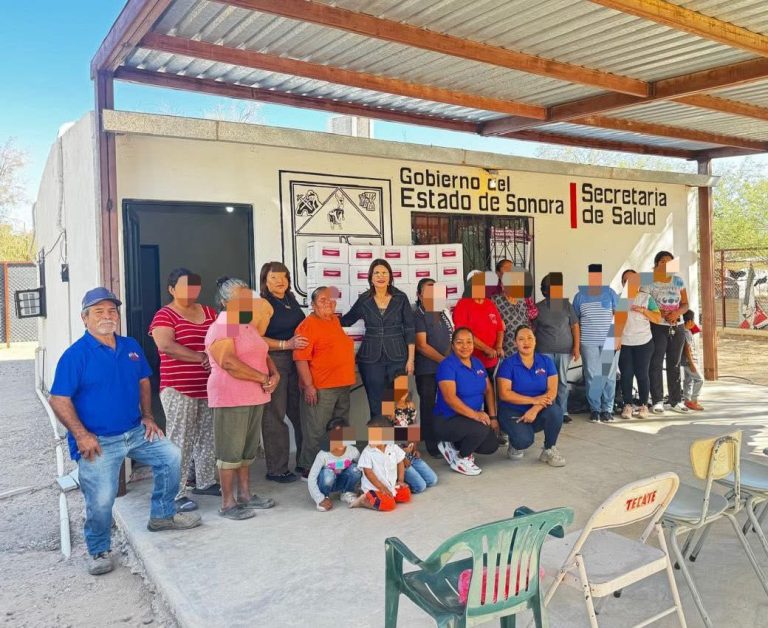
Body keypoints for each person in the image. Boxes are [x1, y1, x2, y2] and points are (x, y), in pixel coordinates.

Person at [50, 288, 201, 576]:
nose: (107, 316)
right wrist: (81, 435)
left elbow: (144, 380)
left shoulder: (131, 346)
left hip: (134, 430)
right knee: (102, 497)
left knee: (171, 456)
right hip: (98, 440)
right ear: (85, 318)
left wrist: (147, 416)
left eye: (112, 311)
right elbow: (59, 398)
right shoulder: (76, 355)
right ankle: (98, 549)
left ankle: (162, 515)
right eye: (99, 312)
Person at [205, 278, 278, 521]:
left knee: (246, 450)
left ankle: (246, 495)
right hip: (231, 396)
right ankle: (228, 503)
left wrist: (274, 374)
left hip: (254, 395)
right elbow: (227, 362)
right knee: (230, 452)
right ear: (226, 302)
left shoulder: (245, 324)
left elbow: (261, 352)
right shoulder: (225, 324)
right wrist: (261, 377)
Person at [149, 268, 218, 513]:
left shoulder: (210, 312)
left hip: (208, 387)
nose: (191, 291)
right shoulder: (164, 315)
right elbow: (165, 345)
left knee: (207, 436)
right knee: (180, 440)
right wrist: (201, 357)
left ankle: (206, 481)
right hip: (179, 388)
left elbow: (225, 336)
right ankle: (175, 493)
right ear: (171, 289)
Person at [294, 286, 356, 478]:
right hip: (321, 387)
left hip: (342, 385)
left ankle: (337, 463)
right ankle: (308, 469)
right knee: (316, 429)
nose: (328, 302)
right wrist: (309, 386)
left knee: (340, 428)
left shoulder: (334, 321)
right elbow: (300, 358)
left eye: (331, 299)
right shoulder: (307, 325)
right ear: (312, 305)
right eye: (322, 300)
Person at [340, 259, 415, 418]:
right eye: (376, 273)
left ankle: (400, 443)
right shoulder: (364, 300)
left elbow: (410, 328)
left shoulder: (400, 298)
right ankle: (380, 443)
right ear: (371, 277)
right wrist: (323, 319)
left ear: (390, 276)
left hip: (399, 358)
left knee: (401, 402)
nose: (380, 276)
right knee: (377, 405)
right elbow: (347, 320)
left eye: (384, 273)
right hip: (370, 359)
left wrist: (411, 360)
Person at [259, 261, 308, 482]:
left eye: (284, 277)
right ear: (265, 281)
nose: (280, 281)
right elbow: (251, 336)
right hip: (274, 360)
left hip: (296, 361)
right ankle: (277, 469)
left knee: (300, 412)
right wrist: (284, 344)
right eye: (274, 278)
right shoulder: (260, 304)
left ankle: (304, 462)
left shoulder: (290, 300)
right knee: (275, 415)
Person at [433, 327, 500, 476]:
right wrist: (476, 415)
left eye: (469, 342)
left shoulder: (477, 363)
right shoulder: (447, 365)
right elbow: (450, 399)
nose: (465, 346)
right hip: (447, 419)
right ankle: (461, 459)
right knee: (480, 428)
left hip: (468, 419)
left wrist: (493, 417)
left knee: (491, 445)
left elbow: (488, 390)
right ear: (452, 345)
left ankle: (453, 446)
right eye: (459, 342)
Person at [496, 325, 566, 466]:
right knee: (524, 441)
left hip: (538, 408)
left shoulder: (546, 362)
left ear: (535, 341)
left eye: (529, 338)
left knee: (556, 412)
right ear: (515, 343)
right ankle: (516, 442)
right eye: (521, 339)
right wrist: (533, 400)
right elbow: (504, 394)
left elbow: (552, 391)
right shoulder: (508, 364)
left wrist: (535, 408)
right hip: (512, 410)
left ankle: (549, 449)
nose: (526, 342)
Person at [572, 264, 619, 422]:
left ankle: (607, 409)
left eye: (598, 276)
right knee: (592, 375)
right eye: (592, 276)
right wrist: (576, 345)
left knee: (609, 376)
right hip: (588, 342)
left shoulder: (610, 293)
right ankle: (595, 409)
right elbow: (575, 321)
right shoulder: (580, 297)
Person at [413, 278, 453, 457]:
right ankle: (431, 444)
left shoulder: (443, 313)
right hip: (427, 370)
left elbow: (452, 337)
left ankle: (447, 439)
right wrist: (444, 360)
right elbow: (421, 345)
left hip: (446, 370)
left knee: (447, 404)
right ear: (419, 295)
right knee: (428, 407)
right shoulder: (418, 315)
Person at [647, 251, 690, 414]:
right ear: (656, 264)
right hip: (658, 326)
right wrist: (663, 313)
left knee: (674, 363)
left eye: (670, 261)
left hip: (677, 327)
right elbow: (646, 303)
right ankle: (657, 400)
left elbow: (685, 304)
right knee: (656, 363)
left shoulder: (678, 281)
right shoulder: (649, 282)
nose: (666, 264)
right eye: (662, 261)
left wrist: (677, 313)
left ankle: (675, 400)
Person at [534, 272, 579, 424]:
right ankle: (547, 411)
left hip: (564, 350)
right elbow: (532, 331)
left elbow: (575, 326)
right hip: (543, 351)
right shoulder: (538, 307)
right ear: (545, 290)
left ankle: (562, 411)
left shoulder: (566, 305)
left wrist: (576, 347)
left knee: (562, 382)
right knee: (544, 383)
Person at [616, 269, 662, 419]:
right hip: (624, 343)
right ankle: (627, 405)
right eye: (625, 281)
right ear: (622, 284)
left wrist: (642, 310)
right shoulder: (617, 299)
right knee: (626, 375)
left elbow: (657, 318)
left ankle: (643, 405)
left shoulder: (646, 298)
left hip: (643, 342)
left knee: (642, 374)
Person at [351, 416, 411, 511]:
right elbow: (368, 473)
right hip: (374, 487)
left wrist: (400, 481)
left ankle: (385, 496)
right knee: (389, 505)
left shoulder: (392, 447)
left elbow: (400, 463)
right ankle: (364, 500)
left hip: (390, 485)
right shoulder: (368, 452)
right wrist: (382, 488)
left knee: (405, 495)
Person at [452, 271, 504, 379]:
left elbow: (499, 328)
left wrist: (498, 346)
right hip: (472, 361)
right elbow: (463, 333)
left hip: (492, 361)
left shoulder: (489, 303)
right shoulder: (463, 304)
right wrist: (486, 349)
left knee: (491, 392)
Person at [306, 425, 361, 512]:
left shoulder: (352, 450)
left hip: (341, 481)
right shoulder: (323, 454)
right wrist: (319, 498)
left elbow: (364, 469)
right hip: (327, 482)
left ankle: (347, 492)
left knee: (356, 469)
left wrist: (364, 489)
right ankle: (325, 497)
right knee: (328, 474)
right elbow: (311, 478)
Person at [491, 262, 539, 357]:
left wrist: (522, 316)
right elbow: (488, 315)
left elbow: (534, 311)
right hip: (505, 343)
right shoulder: (494, 296)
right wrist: (498, 320)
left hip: (523, 341)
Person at [682, 310, 705, 411]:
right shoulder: (685, 333)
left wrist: (690, 325)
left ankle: (687, 400)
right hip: (689, 361)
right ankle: (694, 400)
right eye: (692, 320)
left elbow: (697, 330)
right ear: (688, 321)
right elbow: (686, 349)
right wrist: (692, 363)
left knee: (688, 380)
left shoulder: (687, 331)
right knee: (700, 379)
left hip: (689, 361)